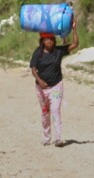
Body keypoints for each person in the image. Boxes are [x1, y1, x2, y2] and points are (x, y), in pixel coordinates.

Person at [29, 18, 79, 147]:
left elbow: (75, 44)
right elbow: (33, 69)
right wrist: (40, 81)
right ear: (42, 41)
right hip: (41, 88)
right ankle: (46, 138)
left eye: (51, 39)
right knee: (45, 112)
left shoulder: (58, 51)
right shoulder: (38, 53)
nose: (49, 42)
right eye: (46, 40)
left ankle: (58, 138)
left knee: (56, 110)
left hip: (56, 85)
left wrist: (74, 29)